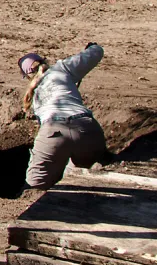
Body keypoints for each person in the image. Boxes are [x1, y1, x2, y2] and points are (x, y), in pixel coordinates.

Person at [19, 43, 108, 188]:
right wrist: (93, 47)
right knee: (82, 173)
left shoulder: (35, 97)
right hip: (87, 127)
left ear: (27, 76)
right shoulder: (61, 69)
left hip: (53, 130)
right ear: (44, 62)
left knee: (34, 186)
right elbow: (96, 53)